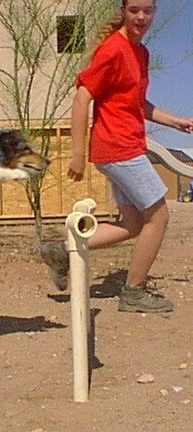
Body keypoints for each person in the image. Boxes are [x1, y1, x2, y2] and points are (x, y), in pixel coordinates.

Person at [41, 0, 193, 313]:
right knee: (159, 216)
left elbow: (138, 104)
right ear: (122, 10)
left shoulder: (141, 53)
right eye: (134, 9)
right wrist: (77, 154)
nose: (141, 16)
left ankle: (61, 251)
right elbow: (82, 99)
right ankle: (133, 292)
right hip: (118, 147)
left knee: (134, 224)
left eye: (148, 10)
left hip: (125, 146)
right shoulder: (112, 50)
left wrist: (175, 120)